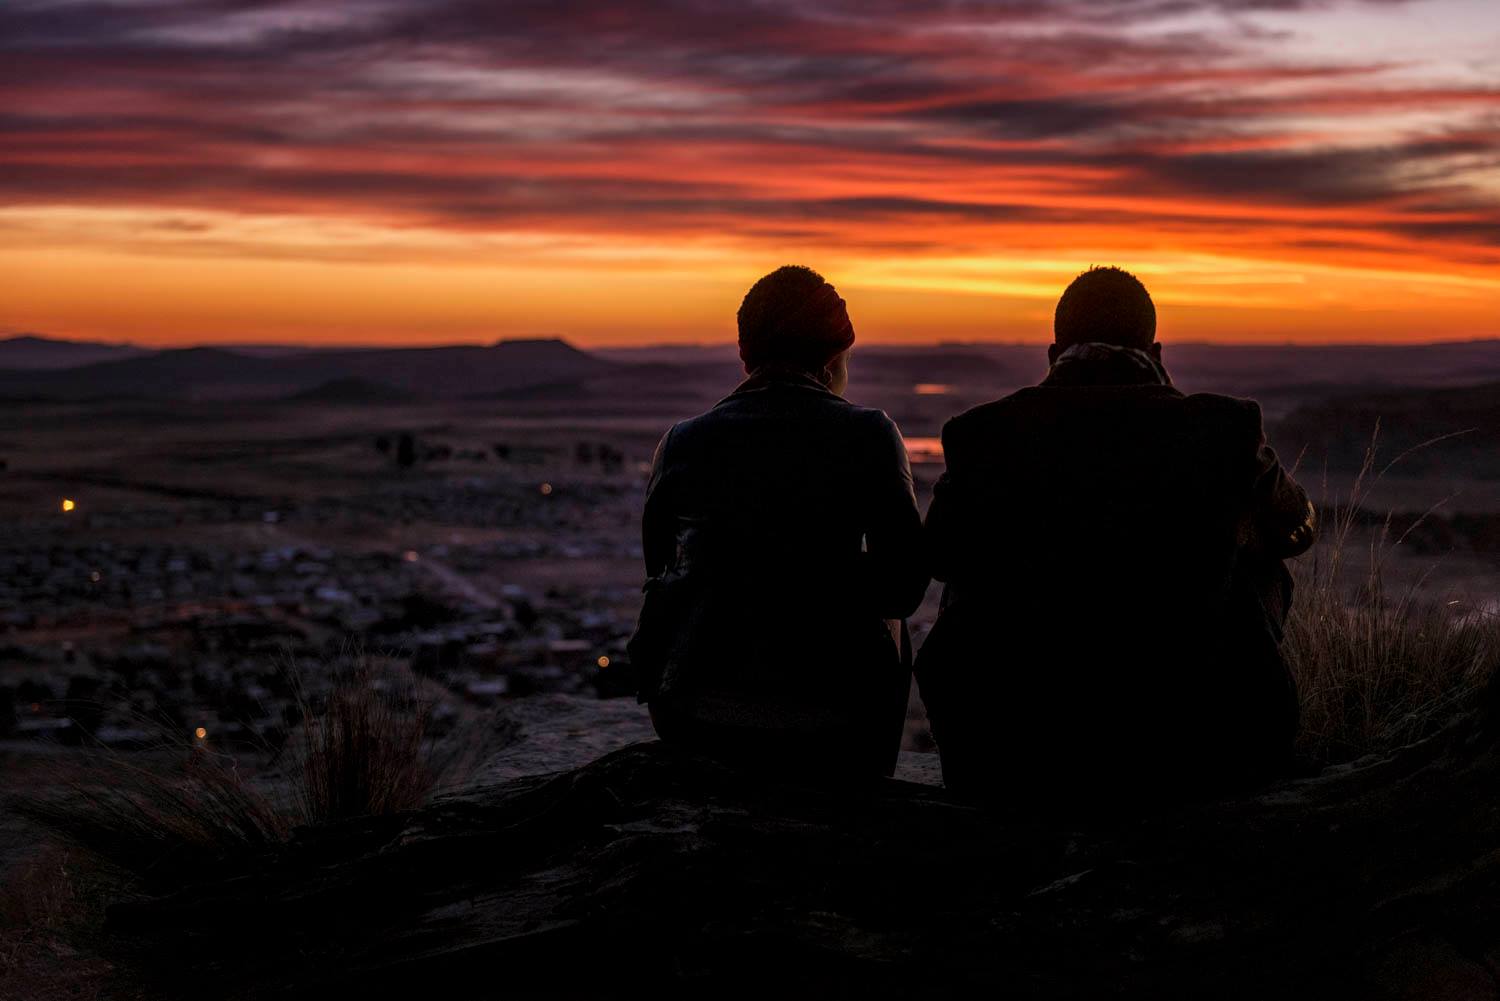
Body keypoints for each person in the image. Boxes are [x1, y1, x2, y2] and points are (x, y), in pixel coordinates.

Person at [916, 266, 1315, 805]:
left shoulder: (983, 434)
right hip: (1199, 750)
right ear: (1157, 350)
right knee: (1262, 559)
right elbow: (1296, 528)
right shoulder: (1223, 432)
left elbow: (941, 556)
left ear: (1054, 352)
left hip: (1009, 751)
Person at [628, 265, 928, 778]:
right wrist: (819, 572)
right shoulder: (868, 433)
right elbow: (902, 588)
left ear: (746, 356)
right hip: (832, 726)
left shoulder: (682, 440)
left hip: (693, 715)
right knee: (894, 628)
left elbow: (660, 567)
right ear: (835, 358)